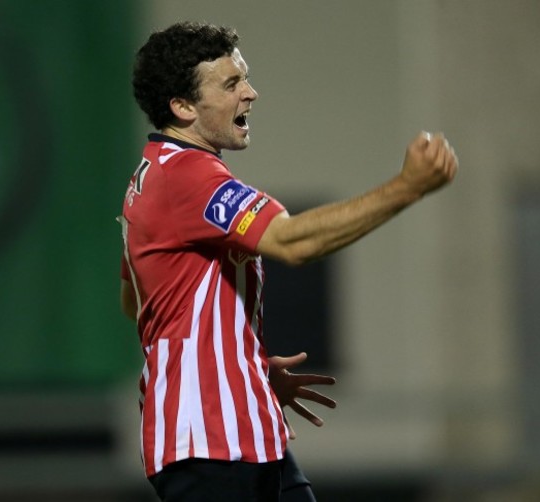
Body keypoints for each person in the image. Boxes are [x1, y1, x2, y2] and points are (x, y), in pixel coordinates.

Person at [119, 21, 458, 502]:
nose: (251, 93)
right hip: (207, 439)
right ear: (183, 106)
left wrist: (236, 361)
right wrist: (407, 187)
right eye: (231, 83)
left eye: (246, 78)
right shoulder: (187, 177)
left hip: (244, 428)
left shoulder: (151, 177)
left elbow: (134, 298)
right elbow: (292, 242)